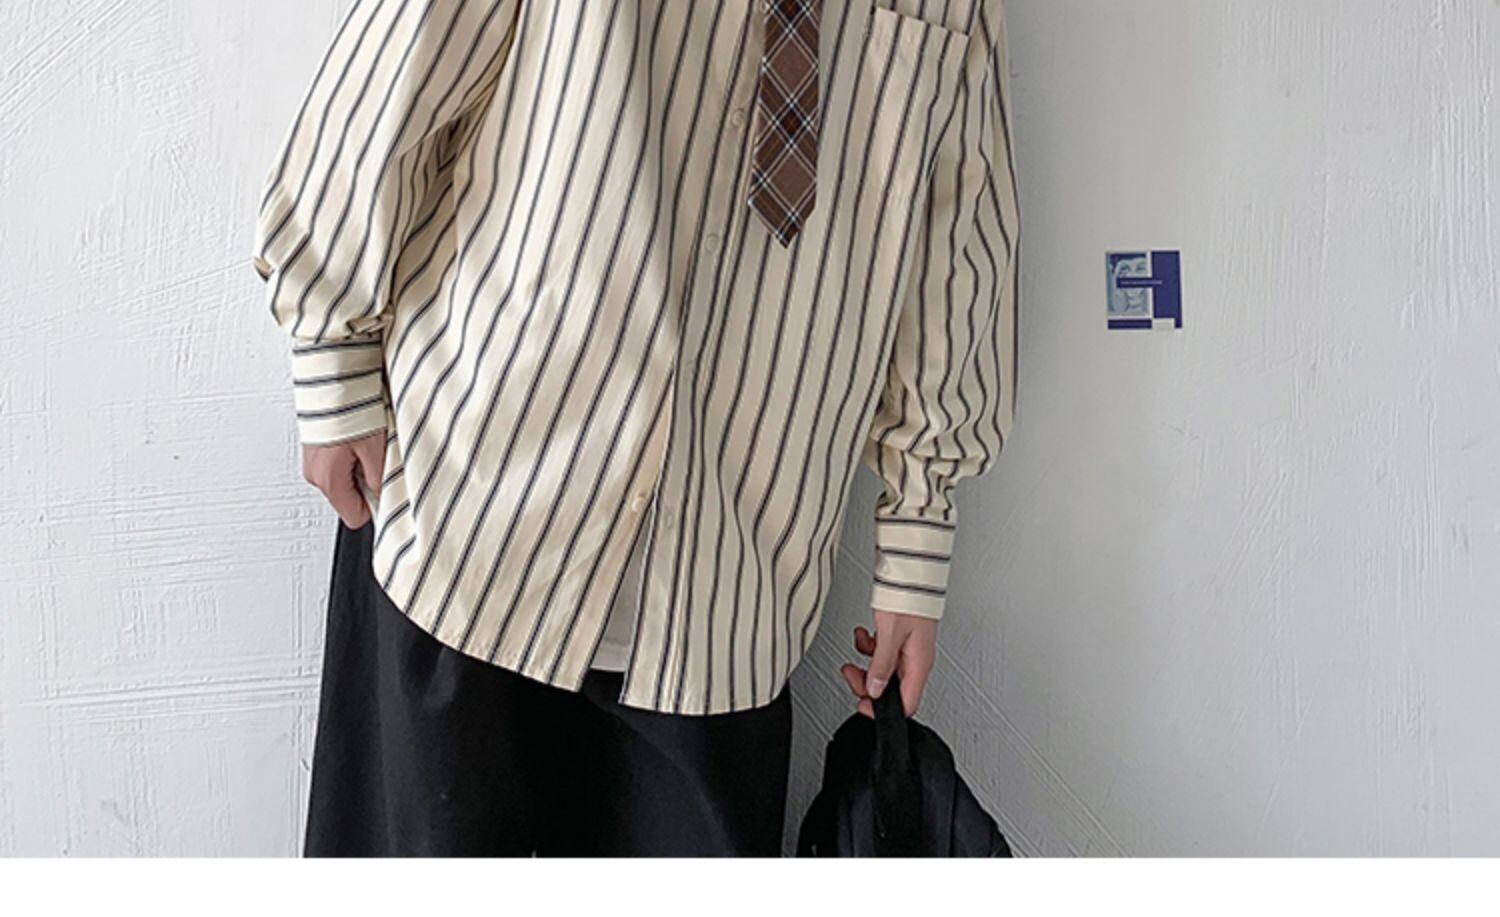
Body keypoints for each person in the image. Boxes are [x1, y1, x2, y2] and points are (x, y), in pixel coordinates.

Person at [251, 0, 1019, 857]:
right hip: (470, 514)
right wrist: (331, 354)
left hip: (725, 604)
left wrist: (917, 534)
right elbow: (406, 58)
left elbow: (958, 240)